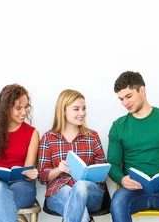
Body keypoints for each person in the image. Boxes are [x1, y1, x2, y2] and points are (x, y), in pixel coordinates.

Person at [107, 71, 159, 222]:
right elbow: (113, 164)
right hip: (134, 190)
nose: (125, 103)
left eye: (129, 96)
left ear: (142, 90)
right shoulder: (118, 126)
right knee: (117, 202)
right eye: (121, 99)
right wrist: (122, 180)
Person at [38, 89, 108, 222]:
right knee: (80, 211)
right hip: (58, 192)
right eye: (76, 109)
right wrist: (58, 170)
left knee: (80, 186)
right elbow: (42, 176)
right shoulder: (48, 138)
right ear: (63, 111)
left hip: (91, 193)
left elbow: (102, 174)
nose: (82, 113)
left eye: (84, 108)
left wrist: (89, 174)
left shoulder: (92, 137)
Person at [0, 84, 40, 222]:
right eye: (18, 108)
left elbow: (28, 172)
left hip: (22, 187)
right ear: (5, 109)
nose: (24, 112)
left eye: (26, 106)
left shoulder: (32, 133)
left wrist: (32, 174)